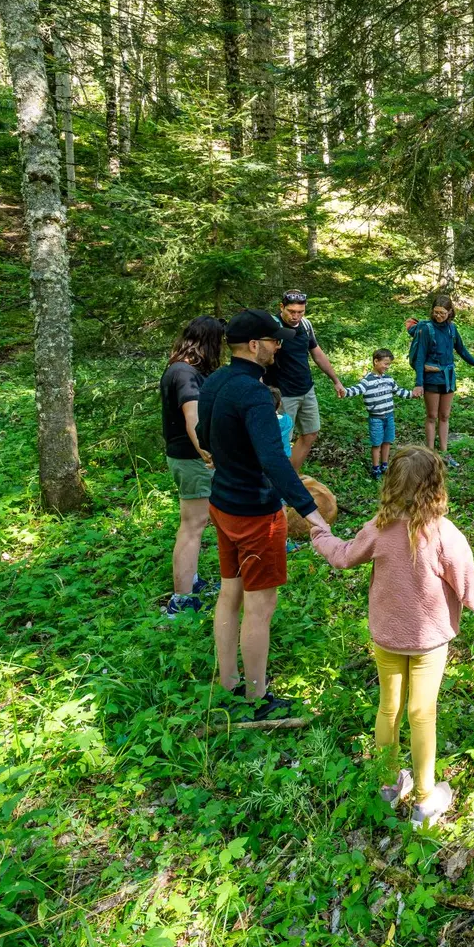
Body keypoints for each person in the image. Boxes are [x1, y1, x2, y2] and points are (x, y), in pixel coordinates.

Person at [310, 447, 474, 826]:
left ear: (391, 484)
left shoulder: (379, 528)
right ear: (436, 487)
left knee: (389, 708)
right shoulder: (445, 536)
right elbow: (473, 594)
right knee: (422, 714)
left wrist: (320, 533)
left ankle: (388, 785)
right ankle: (424, 800)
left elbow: (342, 555)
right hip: (429, 644)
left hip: (387, 638)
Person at [197, 309, 329, 726]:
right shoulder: (254, 393)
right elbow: (274, 460)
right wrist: (311, 512)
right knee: (260, 605)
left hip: (222, 504)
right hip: (256, 513)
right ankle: (256, 699)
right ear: (254, 345)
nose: (277, 347)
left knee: (229, 593)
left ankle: (228, 683)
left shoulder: (215, 381)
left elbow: (202, 435)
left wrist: (231, 459)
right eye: (272, 341)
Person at [160, 316, 224, 617]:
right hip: (191, 458)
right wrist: (207, 454)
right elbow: (192, 418)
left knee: (195, 523)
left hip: (186, 457)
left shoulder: (179, 369)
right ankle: (182, 599)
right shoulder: (185, 374)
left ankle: (192, 582)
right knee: (192, 526)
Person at [269, 290, 347, 472]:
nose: (295, 316)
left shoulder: (305, 325)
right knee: (281, 440)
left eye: (300, 312)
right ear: (281, 307)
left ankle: (292, 475)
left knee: (311, 433)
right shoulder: (273, 327)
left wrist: (336, 380)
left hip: (306, 389)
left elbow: (317, 354)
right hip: (282, 394)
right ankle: (278, 482)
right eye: (291, 311)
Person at [407, 295, 474, 466]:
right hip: (431, 378)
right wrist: (419, 383)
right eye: (436, 312)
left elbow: (462, 350)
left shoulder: (452, 328)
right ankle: (429, 454)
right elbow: (420, 357)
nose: (438, 316)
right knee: (432, 416)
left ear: (450, 312)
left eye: (442, 313)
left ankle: (444, 453)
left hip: (448, 378)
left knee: (444, 416)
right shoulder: (426, 329)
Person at [342, 348, 421, 477]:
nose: (387, 367)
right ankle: (376, 468)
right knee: (377, 444)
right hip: (376, 418)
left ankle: (385, 465)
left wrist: (412, 394)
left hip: (389, 416)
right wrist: (344, 391)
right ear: (376, 361)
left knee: (387, 441)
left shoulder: (389, 379)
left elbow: (399, 391)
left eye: (389, 364)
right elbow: (356, 389)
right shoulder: (367, 380)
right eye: (385, 363)